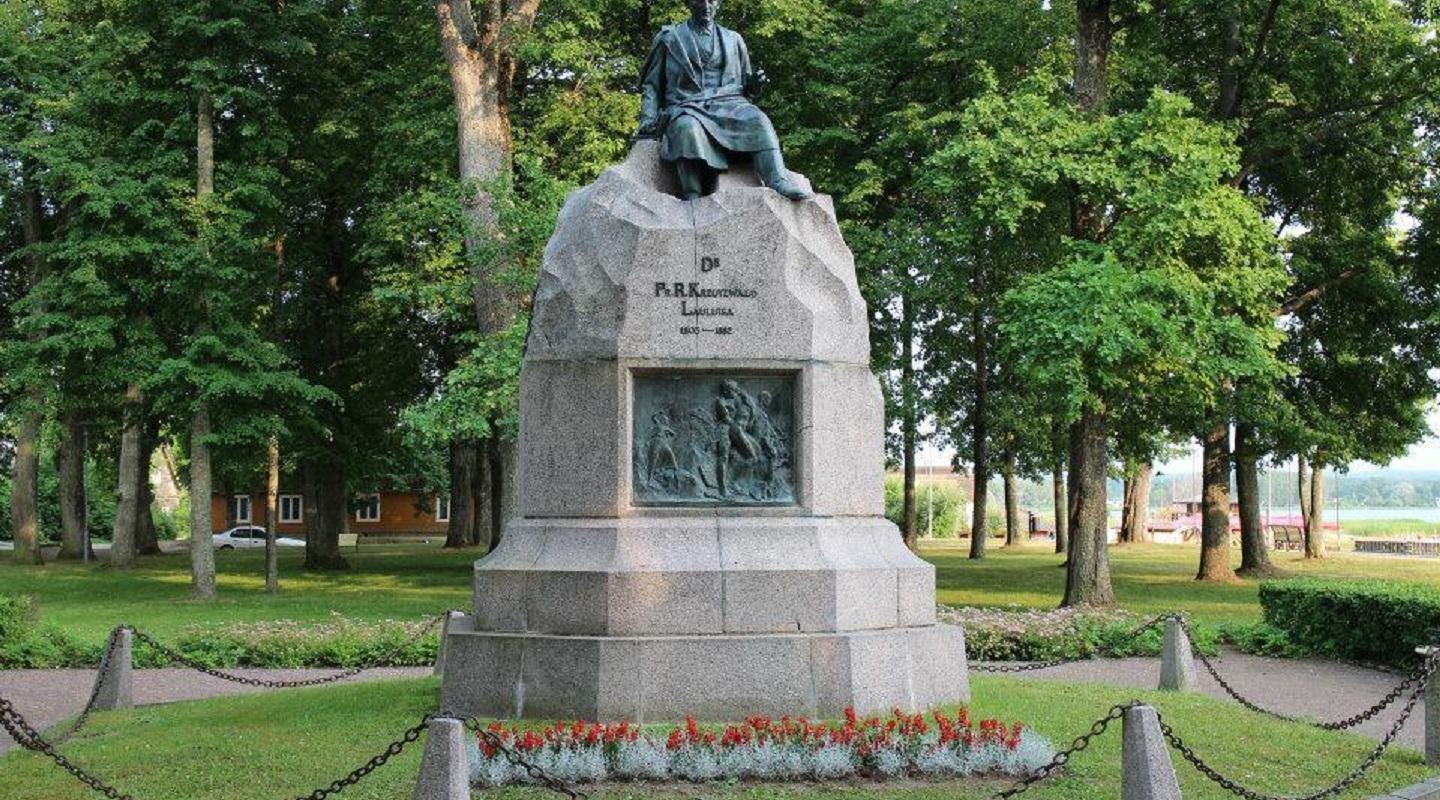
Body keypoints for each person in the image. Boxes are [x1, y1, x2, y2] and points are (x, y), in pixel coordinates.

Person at [637, 0, 813, 201]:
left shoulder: (733, 39)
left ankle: (777, 180)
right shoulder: (670, 38)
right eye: (699, 0)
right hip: (686, 105)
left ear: (718, 4)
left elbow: (746, 87)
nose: (706, 5)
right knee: (687, 128)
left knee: (759, 119)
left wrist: (754, 85)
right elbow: (651, 85)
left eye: (711, 0)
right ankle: (692, 195)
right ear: (688, 3)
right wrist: (647, 119)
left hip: (729, 103)